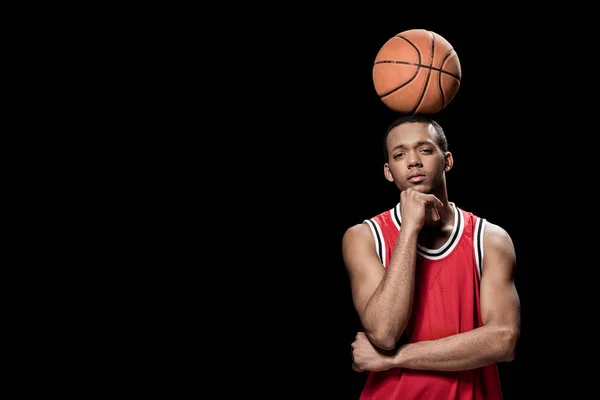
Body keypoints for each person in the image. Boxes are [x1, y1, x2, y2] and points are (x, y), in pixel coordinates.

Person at [341, 115, 521, 399]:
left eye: (424, 150)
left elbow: (503, 340)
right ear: (388, 171)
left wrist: (394, 359)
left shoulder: (489, 239)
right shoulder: (363, 237)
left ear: (447, 160)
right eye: (400, 154)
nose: (413, 161)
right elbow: (384, 332)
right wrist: (410, 228)